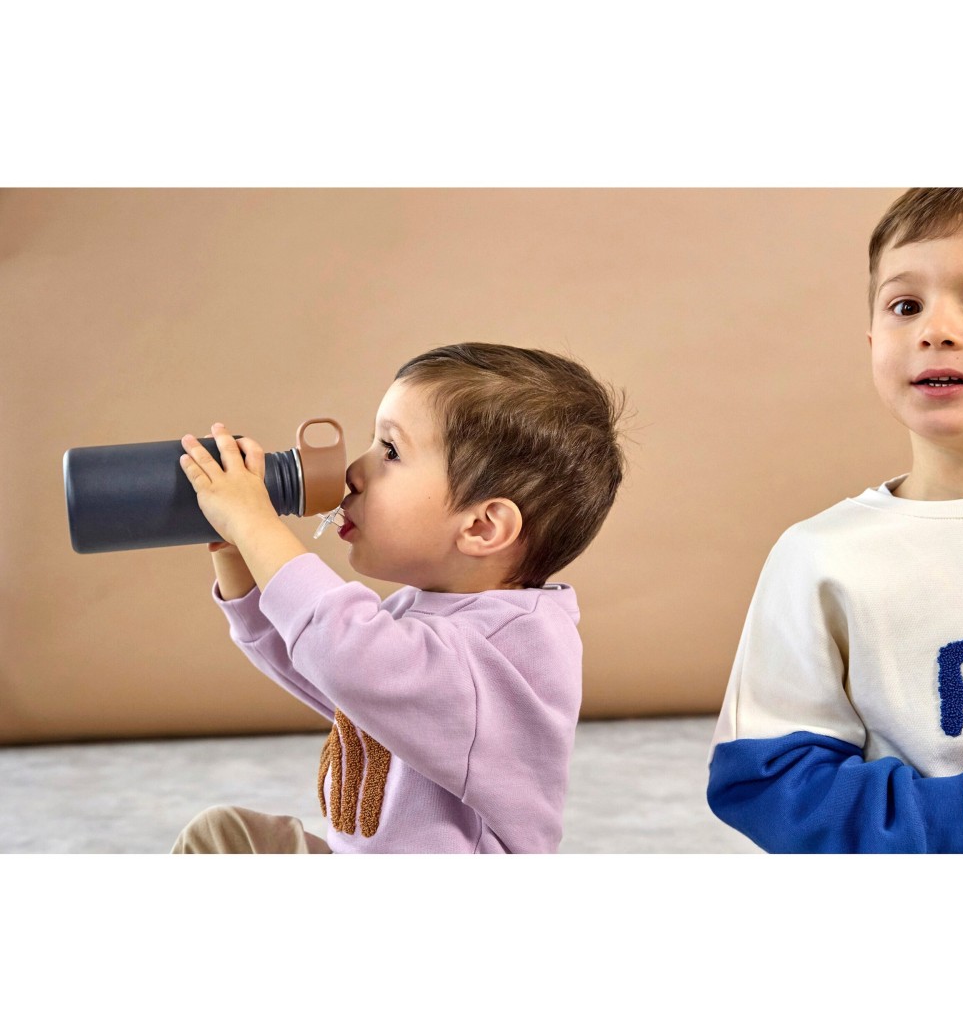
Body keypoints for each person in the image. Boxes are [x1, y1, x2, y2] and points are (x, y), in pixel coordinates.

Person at [170, 343, 627, 853]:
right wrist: (238, 551)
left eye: (390, 451)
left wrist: (256, 524)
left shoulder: (505, 648)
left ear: (482, 525)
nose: (354, 473)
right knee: (225, 837)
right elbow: (320, 662)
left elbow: (344, 654)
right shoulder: (426, 610)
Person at [707, 188, 963, 853]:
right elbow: (764, 780)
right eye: (906, 306)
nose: (936, 330)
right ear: (873, 341)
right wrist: (958, 817)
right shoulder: (823, 557)